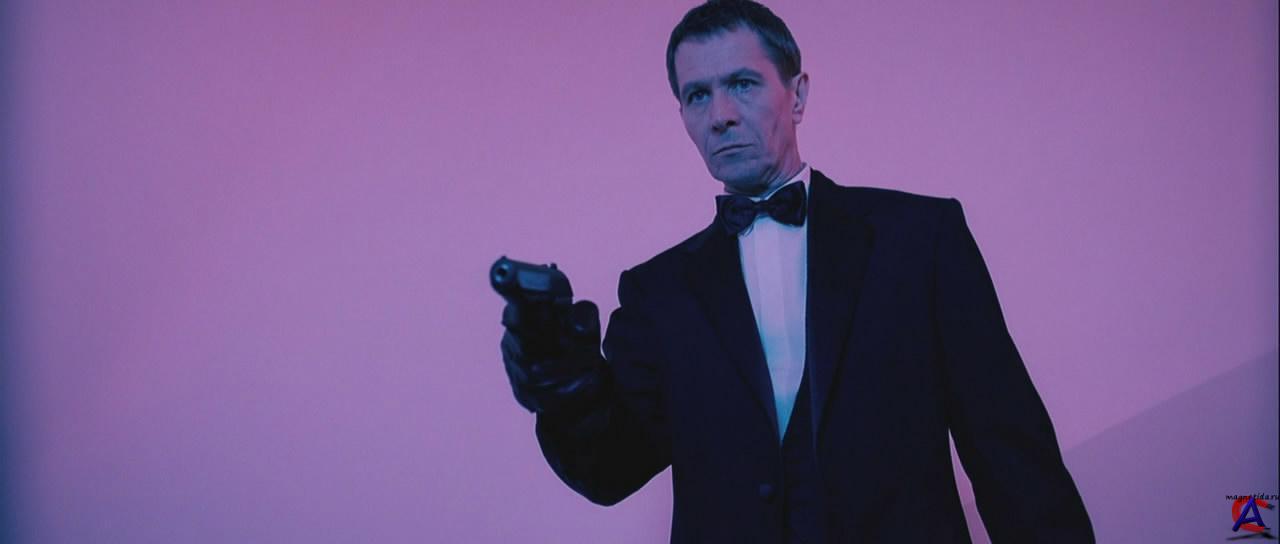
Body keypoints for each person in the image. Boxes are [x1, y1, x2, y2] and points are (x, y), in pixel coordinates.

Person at [498, 1, 1094, 542]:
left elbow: (1011, 454)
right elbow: (609, 470)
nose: (720, 115)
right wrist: (562, 381)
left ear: (798, 95)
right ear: (682, 115)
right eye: (698, 95)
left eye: (742, 83)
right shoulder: (658, 292)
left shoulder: (920, 239)